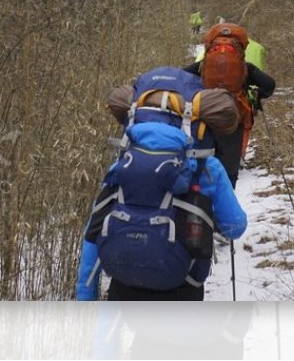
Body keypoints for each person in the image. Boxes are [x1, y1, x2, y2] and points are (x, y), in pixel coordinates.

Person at [75, 116, 247, 301]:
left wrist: (86, 297)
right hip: (183, 287)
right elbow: (235, 227)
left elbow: (93, 234)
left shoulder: (123, 166)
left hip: (124, 284)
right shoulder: (206, 166)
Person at [185, 22, 276, 188]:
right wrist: (257, 95)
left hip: (203, 120)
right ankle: (225, 206)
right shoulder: (245, 68)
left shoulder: (202, 67)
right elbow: (269, 85)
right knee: (228, 175)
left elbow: (180, 78)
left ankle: (201, 206)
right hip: (233, 122)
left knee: (200, 171)